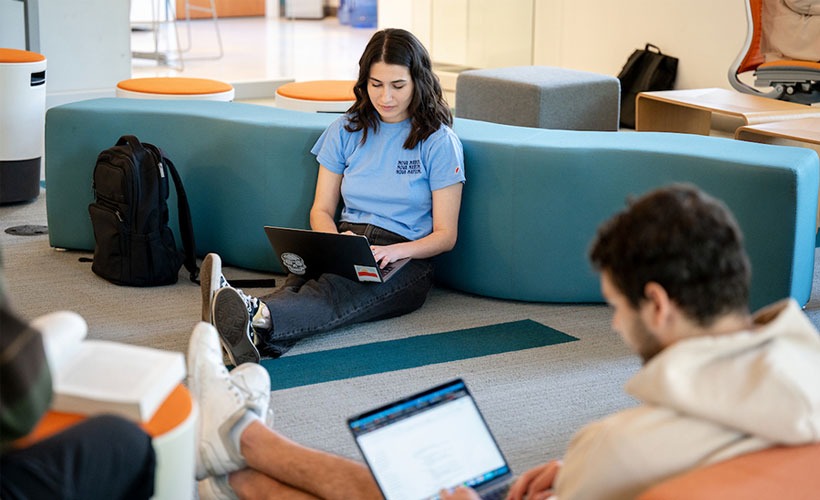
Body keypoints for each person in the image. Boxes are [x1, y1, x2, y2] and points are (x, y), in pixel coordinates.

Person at [439, 184, 820, 500]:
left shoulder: (617, 447)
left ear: (657, 304)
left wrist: (595, 469)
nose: (617, 324)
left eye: (618, 306)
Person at [200, 27, 465, 364]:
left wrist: (394, 251)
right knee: (299, 282)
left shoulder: (438, 141)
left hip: (406, 256)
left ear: (418, 82)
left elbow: (446, 236)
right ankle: (250, 327)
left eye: (398, 86)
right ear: (363, 82)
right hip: (346, 238)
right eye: (376, 84)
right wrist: (335, 245)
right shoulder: (346, 129)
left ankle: (246, 313)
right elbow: (321, 209)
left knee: (335, 291)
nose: (386, 97)